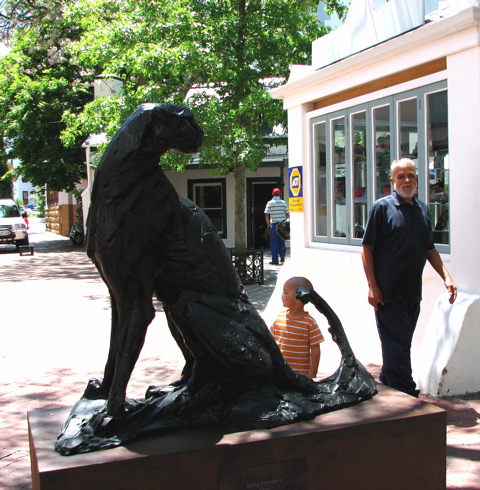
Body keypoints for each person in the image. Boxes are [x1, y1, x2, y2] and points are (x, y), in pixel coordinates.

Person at [361, 158, 457, 397]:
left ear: (417, 179)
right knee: (398, 347)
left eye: (411, 175)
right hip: (388, 293)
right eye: (401, 176)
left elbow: (429, 248)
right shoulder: (381, 208)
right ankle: (406, 395)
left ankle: (389, 388)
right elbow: (367, 249)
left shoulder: (423, 209)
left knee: (399, 345)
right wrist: (373, 286)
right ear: (392, 181)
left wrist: (446, 277)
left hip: (412, 293)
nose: (407, 180)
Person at [270, 276, 324, 379]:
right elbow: (270, 341)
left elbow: (315, 349)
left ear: (298, 299)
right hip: (280, 372)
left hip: (301, 376)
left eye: (285, 293)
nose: (282, 295)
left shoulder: (309, 323)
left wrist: (313, 373)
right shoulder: (279, 318)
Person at [264, 187, 289, 265]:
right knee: (282, 240)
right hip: (282, 225)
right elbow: (287, 214)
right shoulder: (283, 202)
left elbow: (266, 214)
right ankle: (282, 256)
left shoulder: (270, 203)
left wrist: (268, 223)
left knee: (274, 242)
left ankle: (275, 260)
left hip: (274, 225)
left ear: (272, 194)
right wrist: (287, 223)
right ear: (280, 194)